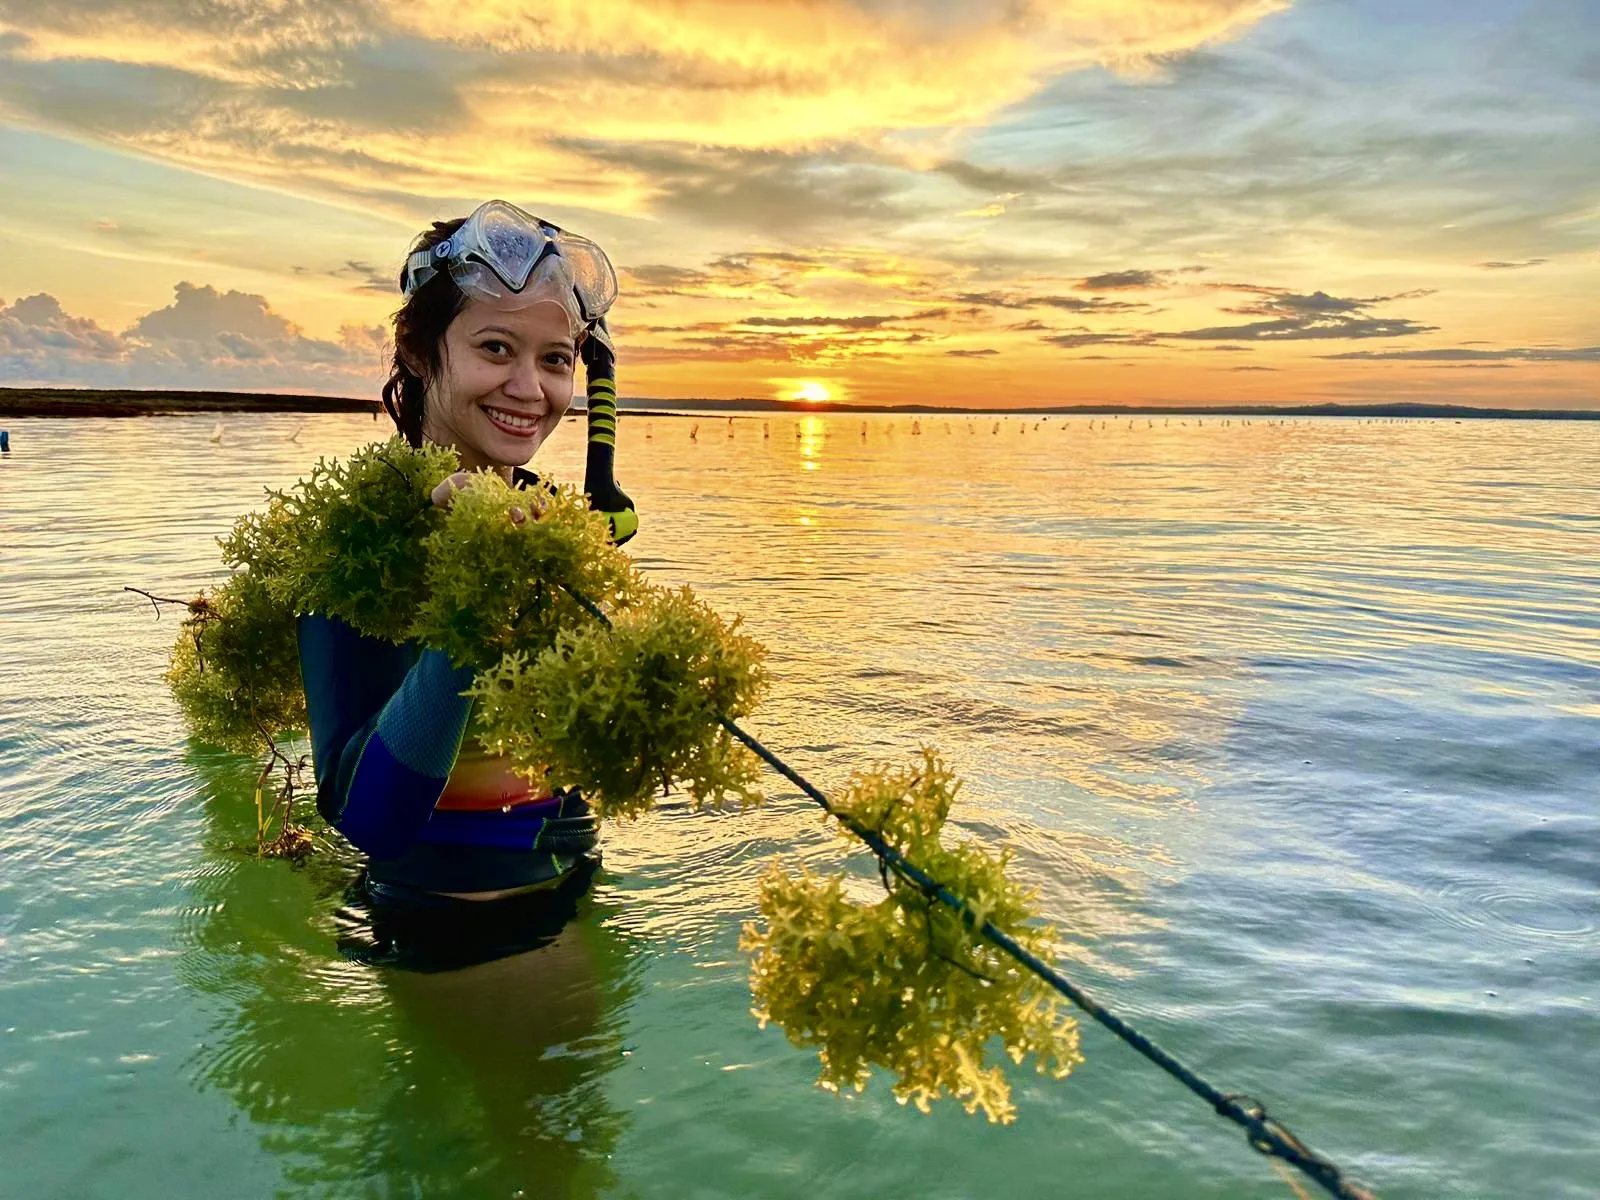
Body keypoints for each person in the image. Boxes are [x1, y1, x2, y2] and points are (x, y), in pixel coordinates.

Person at [297, 200, 634, 937]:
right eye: (495, 348)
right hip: (444, 931)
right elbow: (370, 822)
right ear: (419, 352)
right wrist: (472, 593)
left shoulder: (557, 524)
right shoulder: (359, 538)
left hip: (582, 902)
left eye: (555, 360)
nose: (529, 389)